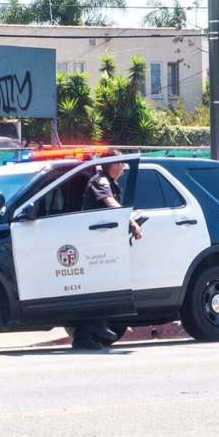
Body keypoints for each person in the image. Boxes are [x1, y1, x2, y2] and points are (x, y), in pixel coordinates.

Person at [72, 149, 142, 351]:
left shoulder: (112, 183)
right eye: (120, 163)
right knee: (98, 286)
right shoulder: (100, 180)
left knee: (103, 285)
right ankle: (93, 329)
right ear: (112, 164)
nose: (123, 167)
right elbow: (111, 205)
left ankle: (86, 337)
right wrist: (130, 221)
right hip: (91, 243)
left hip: (101, 242)